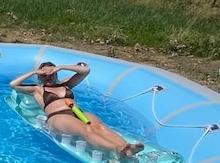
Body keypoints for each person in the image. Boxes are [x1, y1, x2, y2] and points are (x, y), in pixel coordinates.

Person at [10, 61, 144, 157]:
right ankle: (116, 148)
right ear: (39, 77)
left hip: (77, 112)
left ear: (56, 74)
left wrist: (60, 67)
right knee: (85, 130)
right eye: (44, 75)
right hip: (57, 116)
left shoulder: (66, 84)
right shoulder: (37, 90)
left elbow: (85, 70)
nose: (48, 76)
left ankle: (128, 148)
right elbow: (13, 84)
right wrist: (35, 71)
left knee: (100, 127)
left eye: (51, 73)